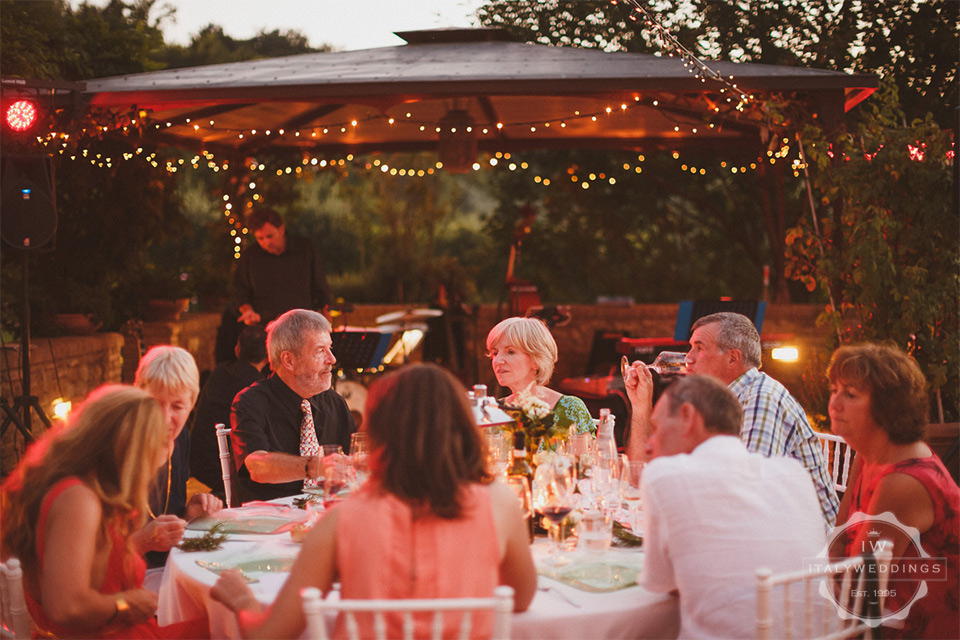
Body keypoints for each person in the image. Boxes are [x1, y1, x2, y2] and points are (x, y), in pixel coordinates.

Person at [210, 364, 537, 639]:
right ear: (463, 427)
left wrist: (243, 602)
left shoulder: (340, 520)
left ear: (380, 434)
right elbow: (520, 600)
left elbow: (270, 634)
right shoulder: (500, 504)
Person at [0, 385, 208, 639]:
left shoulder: (84, 489)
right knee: (236, 625)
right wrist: (125, 604)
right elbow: (67, 607)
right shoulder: (78, 499)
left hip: (120, 630)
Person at [640, 374, 827, 639]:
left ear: (688, 416)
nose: (650, 444)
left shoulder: (664, 475)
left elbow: (659, 583)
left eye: (656, 427)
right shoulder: (793, 471)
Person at [625, 311, 839, 527]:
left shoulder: (761, 398)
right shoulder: (710, 402)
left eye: (699, 348)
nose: (688, 358)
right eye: (690, 347)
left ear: (732, 358)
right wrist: (641, 406)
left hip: (810, 549)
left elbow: (744, 497)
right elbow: (641, 474)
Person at [828, 343, 959, 639]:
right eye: (834, 390)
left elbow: (859, 590)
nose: (834, 403)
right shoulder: (868, 453)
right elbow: (838, 542)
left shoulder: (903, 482)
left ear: (887, 409)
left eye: (850, 394)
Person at [230, 309, 355, 503]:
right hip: (266, 520)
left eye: (330, 348)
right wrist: (316, 466)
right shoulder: (250, 402)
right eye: (320, 351)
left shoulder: (335, 403)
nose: (332, 359)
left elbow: (351, 462)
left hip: (326, 513)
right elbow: (257, 466)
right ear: (289, 360)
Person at [133, 346, 222, 568]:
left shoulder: (181, 437)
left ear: (192, 404)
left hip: (168, 567)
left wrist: (189, 514)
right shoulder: (122, 448)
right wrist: (144, 541)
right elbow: (88, 554)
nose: (165, 418)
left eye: (177, 406)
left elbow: (166, 523)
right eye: (155, 403)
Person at [216, 208, 331, 364]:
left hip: (301, 329)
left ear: (281, 229)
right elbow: (240, 291)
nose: (266, 242)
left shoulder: (305, 249)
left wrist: (325, 315)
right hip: (266, 331)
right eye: (260, 238)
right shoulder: (251, 255)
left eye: (270, 236)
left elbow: (321, 287)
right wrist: (247, 310)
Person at [190, 326, 268, 498]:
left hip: (197, 459)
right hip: (227, 467)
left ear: (237, 350)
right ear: (268, 356)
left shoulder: (218, 373)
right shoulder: (258, 388)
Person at [486, 316, 594, 435]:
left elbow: (586, 454)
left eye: (510, 352)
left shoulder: (570, 408)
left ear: (536, 359)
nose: (498, 360)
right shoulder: (492, 412)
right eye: (495, 353)